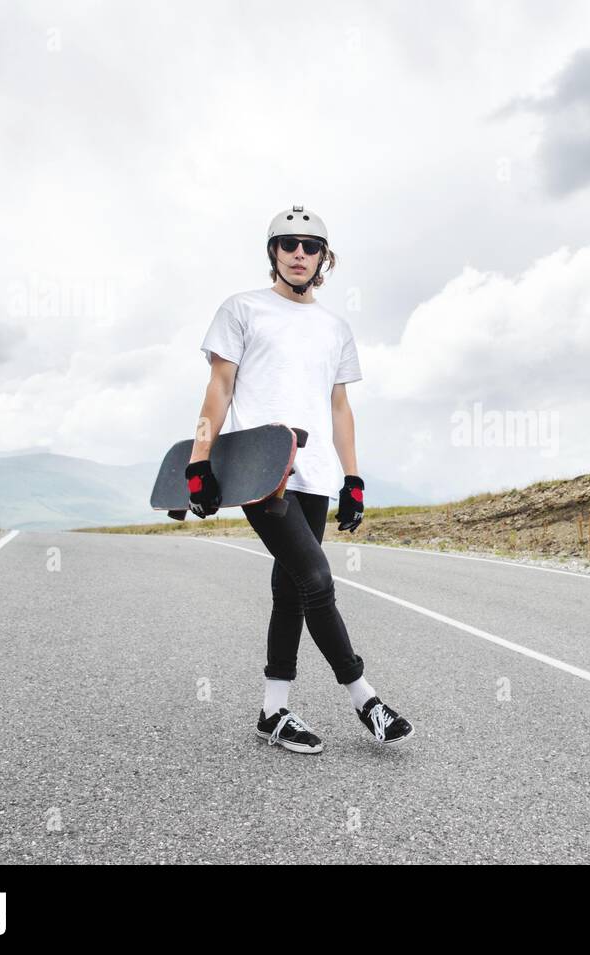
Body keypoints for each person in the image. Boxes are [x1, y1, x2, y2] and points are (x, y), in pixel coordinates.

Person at [184, 204, 413, 754]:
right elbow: (220, 388)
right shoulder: (242, 309)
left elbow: (339, 407)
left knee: (290, 593)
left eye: (310, 246)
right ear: (273, 252)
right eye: (288, 244)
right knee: (316, 579)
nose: (299, 254)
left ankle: (273, 710)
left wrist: (353, 479)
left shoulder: (336, 327)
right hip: (260, 472)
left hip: (314, 475)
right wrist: (200, 461)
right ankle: (366, 698)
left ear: (324, 258)